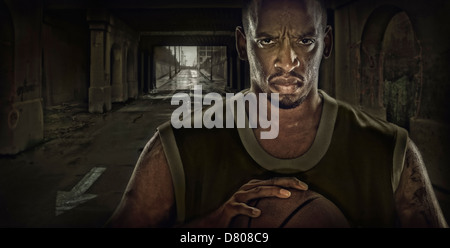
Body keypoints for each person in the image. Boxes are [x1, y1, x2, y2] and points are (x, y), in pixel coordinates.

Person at [106, 0, 448, 228]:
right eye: (268, 42)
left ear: (326, 44)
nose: (288, 61)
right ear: (243, 45)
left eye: (305, 42)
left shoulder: (390, 151)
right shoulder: (177, 146)